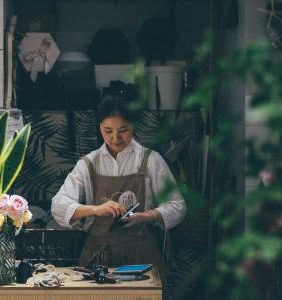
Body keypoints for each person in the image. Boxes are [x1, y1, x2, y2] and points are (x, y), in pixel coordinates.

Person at [51, 96, 186, 268]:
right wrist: (95, 209)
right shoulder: (89, 163)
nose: (115, 138)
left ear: (133, 126)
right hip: (97, 256)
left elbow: (177, 206)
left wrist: (147, 216)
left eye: (123, 130)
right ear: (100, 127)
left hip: (141, 255)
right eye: (108, 131)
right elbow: (58, 205)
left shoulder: (150, 160)